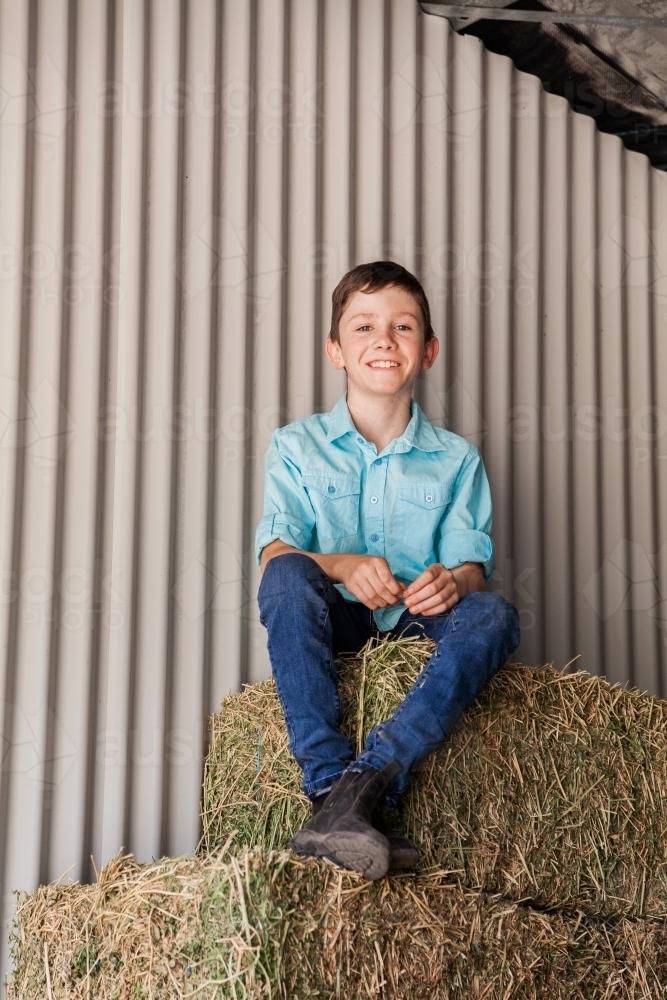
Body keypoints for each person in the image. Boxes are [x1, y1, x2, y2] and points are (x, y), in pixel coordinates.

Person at [255, 261, 520, 881]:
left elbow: (471, 571)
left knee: (493, 615)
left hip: (415, 625)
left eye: (403, 327)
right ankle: (327, 788)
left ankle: (364, 785)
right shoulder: (296, 446)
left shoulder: (457, 459)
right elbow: (275, 554)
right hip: (339, 624)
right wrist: (345, 565)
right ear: (335, 351)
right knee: (287, 577)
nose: (384, 339)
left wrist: (453, 583)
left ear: (426, 352)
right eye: (364, 326)